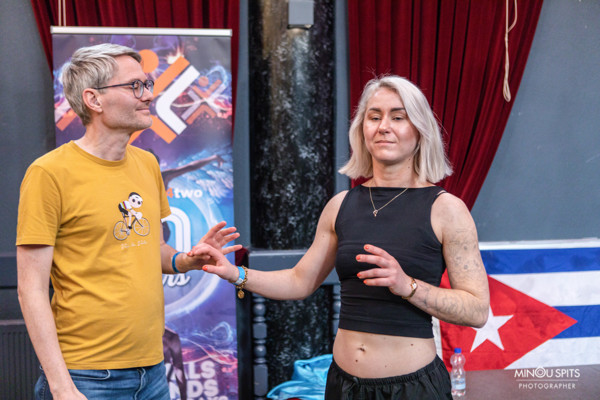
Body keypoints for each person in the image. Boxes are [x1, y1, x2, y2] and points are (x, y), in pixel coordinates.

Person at [194, 75, 490, 399]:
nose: (383, 127)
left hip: (411, 388)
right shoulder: (340, 205)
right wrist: (235, 274)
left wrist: (408, 286)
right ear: (362, 130)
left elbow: (476, 310)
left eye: (398, 117)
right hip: (343, 386)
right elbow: (299, 281)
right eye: (374, 117)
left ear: (419, 131)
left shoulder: (446, 209)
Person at [16, 43, 241, 400]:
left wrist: (187, 260)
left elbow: (153, 248)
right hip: (85, 377)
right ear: (94, 99)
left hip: (152, 372)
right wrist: (61, 386)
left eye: (147, 84)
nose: (148, 95)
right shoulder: (48, 174)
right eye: (135, 86)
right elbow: (30, 290)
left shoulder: (147, 164)